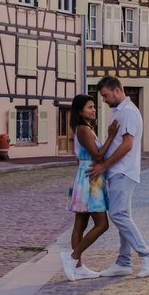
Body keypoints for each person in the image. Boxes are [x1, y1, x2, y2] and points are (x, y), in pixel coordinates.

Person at [87, 75, 149, 278]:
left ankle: (147, 254)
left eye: (105, 95)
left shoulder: (128, 112)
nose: (103, 100)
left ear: (116, 91)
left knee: (118, 215)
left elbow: (127, 145)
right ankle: (124, 262)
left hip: (123, 171)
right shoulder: (119, 112)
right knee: (123, 215)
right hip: (119, 171)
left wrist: (104, 166)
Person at [60, 94, 119, 282]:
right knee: (102, 224)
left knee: (81, 223)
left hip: (86, 176)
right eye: (89, 107)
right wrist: (111, 136)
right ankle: (72, 257)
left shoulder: (84, 128)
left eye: (94, 107)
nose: (94, 110)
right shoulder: (84, 130)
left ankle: (78, 268)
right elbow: (98, 155)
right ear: (80, 111)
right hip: (90, 179)